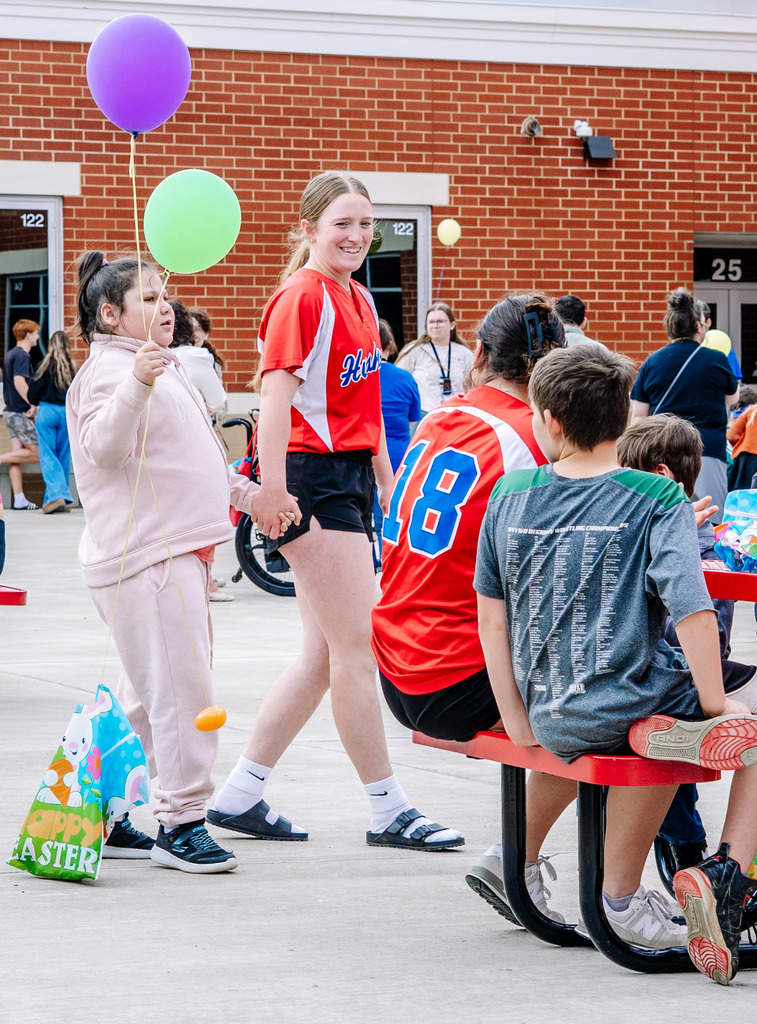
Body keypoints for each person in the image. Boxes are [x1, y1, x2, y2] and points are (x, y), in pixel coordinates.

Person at [475, 344, 757, 981]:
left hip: (548, 709)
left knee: (663, 726)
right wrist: (715, 703)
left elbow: (493, 617)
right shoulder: (656, 496)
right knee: (748, 724)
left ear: (547, 419)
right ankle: (724, 874)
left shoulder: (508, 494)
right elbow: (692, 610)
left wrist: (517, 718)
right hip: (638, 692)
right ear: (623, 421)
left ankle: (627, 881)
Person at [209, 170, 461, 851]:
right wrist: (269, 488)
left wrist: (386, 478)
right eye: (340, 224)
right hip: (310, 479)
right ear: (308, 231)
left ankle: (239, 796)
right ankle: (388, 809)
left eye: (363, 223)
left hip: (347, 474)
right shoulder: (301, 296)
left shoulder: (354, 294)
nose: (354, 235)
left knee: (323, 656)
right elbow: (274, 400)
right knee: (359, 648)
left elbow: (365, 405)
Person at [66, 250, 281, 873]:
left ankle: (100, 809)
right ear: (111, 314)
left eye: (167, 295)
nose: (168, 307)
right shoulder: (113, 373)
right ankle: (182, 820)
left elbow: (191, 457)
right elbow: (103, 450)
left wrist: (245, 496)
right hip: (147, 556)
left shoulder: (157, 367)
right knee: (180, 690)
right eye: (150, 298)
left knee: (144, 696)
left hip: (166, 549)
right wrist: (138, 382)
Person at [373, 293, 571, 921]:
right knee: (626, 699)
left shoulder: (439, 419)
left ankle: (524, 857)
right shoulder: (533, 441)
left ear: (480, 353)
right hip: (455, 670)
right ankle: (529, 858)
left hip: (396, 661)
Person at [617, 413, 757, 876]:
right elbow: (707, 645)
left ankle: (692, 854)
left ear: (659, 477)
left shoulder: (674, 526)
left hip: (636, 675)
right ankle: (714, 867)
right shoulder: (685, 530)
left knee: (668, 742)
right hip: (670, 676)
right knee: (680, 729)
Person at [631, 288, 739, 519]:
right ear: (698, 327)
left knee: (664, 516)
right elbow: (733, 398)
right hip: (708, 448)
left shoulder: (652, 362)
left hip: (662, 451)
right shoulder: (716, 359)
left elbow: (638, 415)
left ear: (669, 326)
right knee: (712, 516)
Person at [170, 299, 233, 602]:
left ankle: (193, 578)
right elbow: (218, 402)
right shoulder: (195, 358)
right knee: (205, 515)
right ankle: (206, 583)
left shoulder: (146, 355)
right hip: (195, 444)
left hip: (158, 449)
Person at [372, 318, 421, 563]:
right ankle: (387, 562)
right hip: (396, 455)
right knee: (389, 514)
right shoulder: (405, 378)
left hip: (360, 452)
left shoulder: (354, 379)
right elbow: (414, 419)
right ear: (389, 347)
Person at [27, 330, 77, 514]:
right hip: (66, 414)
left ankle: (56, 496)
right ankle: (61, 502)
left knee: (48, 455)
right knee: (63, 456)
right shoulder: (73, 367)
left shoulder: (43, 365)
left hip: (47, 411)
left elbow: (32, 394)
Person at [395, 303, 473, 414]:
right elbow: (399, 381)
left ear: (452, 325)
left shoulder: (464, 353)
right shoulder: (415, 351)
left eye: (440, 321)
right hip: (423, 414)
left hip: (455, 414)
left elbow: (474, 385)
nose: (435, 325)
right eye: (431, 322)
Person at [1, 319, 41, 510]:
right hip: (19, 413)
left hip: (9, 412)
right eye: (36, 333)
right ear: (28, 334)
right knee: (35, 455)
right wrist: (33, 403)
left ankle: (19, 499)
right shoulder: (22, 356)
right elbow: (19, 382)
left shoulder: (10, 355)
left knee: (17, 457)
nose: (38, 336)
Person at [726, 402, 757, 491]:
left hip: (746, 458)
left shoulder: (751, 411)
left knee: (741, 492)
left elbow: (731, 435)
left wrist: (742, 443)